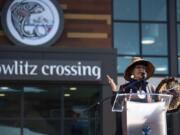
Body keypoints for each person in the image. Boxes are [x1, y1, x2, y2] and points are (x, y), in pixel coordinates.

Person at [106, 57, 156, 135]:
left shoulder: (151, 88)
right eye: (138, 67)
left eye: (143, 68)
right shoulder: (125, 87)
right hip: (129, 126)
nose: (141, 70)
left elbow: (158, 106)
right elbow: (116, 105)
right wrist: (114, 90)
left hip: (146, 128)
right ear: (132, 71)